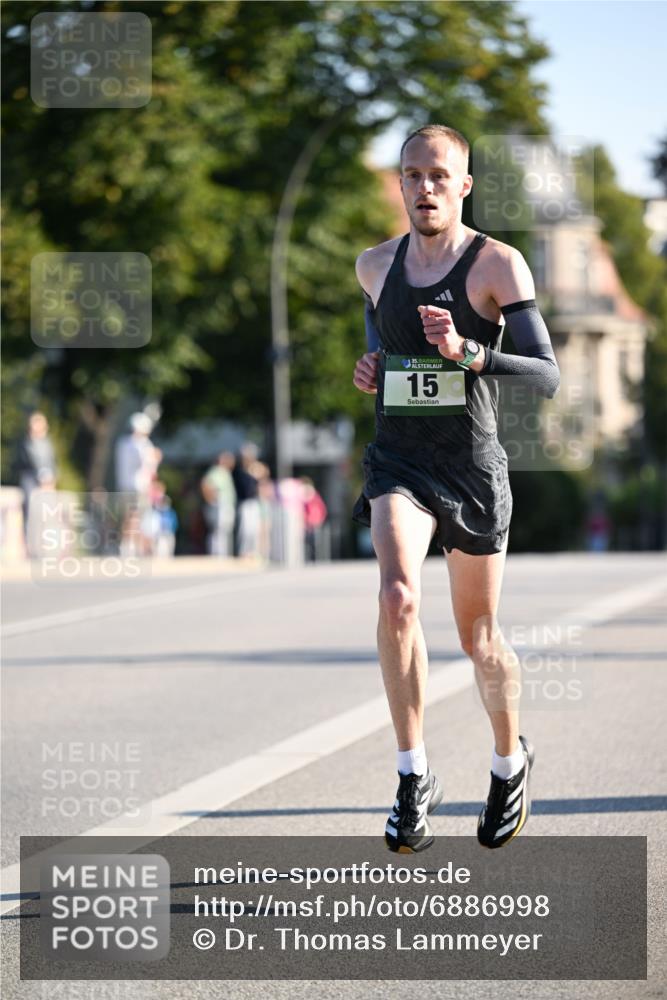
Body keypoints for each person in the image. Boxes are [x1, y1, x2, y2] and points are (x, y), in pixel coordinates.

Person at [351, 124, 559, 853]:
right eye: (412, 175)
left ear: (463, 185)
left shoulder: (495, 265)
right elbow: (379, 343)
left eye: (439, 175)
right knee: (396, 597)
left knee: (477, 639)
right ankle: (413, 776)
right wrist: (371, 367)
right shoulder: (374, 266)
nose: (424, 187)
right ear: (401, 183)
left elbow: (545, 374)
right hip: (399, 463)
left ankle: (508, 763)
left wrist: (468, 351)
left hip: (469, 466)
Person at [201, 452, 237, 557]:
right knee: (218, 531)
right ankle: (217, 554)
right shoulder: (217, 471)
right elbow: (206, 484)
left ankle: (224, 554)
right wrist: (211, 499)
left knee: (225, 530)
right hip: (220, 505)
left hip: (226, 505)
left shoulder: (225, 472)